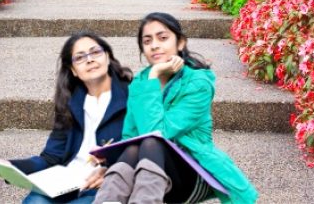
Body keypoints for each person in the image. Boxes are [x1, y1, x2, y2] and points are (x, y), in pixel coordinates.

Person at [93, 12, 258, 204]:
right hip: (148, 175)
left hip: (192, 173)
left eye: (162, 38)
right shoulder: (140, 82)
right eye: (147, 41)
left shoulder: (197, 84)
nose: (154, 45)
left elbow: (156, 133)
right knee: (131, 148)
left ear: (180, 43)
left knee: (151, 143)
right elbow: (131, 135)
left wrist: (154, 74)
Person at [0, 32, 132, 203]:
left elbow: (142, 150)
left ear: (108, 56)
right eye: (80, 57)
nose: (89, 59)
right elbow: (51, 158)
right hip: (65, 182)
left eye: (95, 52)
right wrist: (8, 166)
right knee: (35, 201)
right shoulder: (70, 103)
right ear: (73, 70)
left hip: (103, 185)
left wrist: (111, 171)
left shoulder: (133, 96)